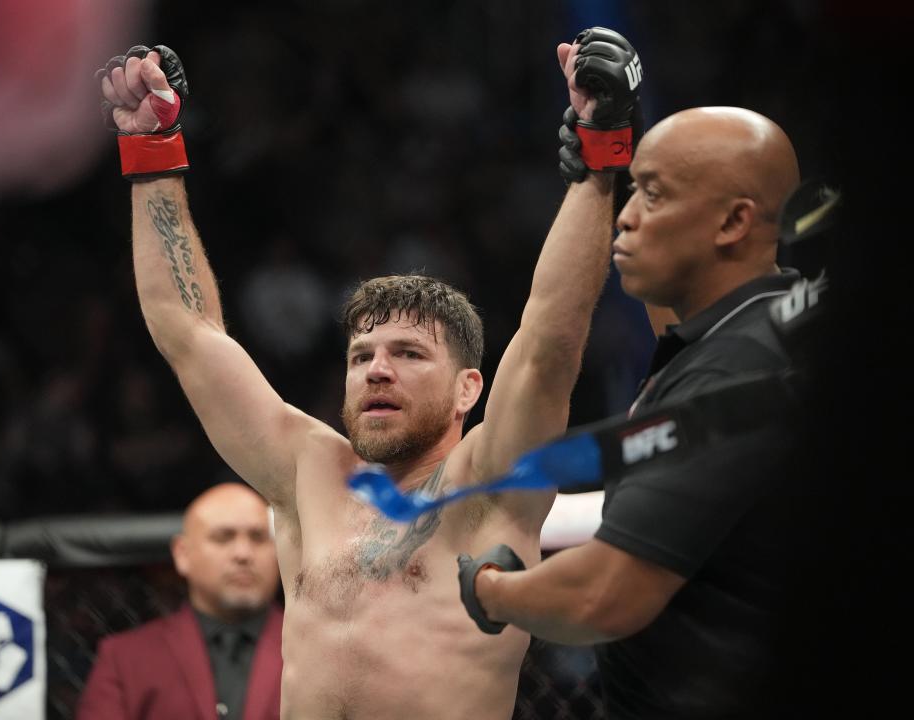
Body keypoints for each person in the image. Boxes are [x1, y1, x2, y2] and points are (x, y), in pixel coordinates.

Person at [96, 26, 639, 719]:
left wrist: (599, 160)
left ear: (469, 389)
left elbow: (550, 345)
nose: (377, 371)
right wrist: (150, 152)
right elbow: (190, 334)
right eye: (361, 357)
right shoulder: (306, 474)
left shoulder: (491, 486)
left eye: (408, 354)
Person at [459, 106, 813, 718]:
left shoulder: (736, 371)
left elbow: (602, 597)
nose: (626, 216)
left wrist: (491, 590)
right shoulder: (771, 322)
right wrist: (605, 159)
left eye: (652, 195)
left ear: (733, 222)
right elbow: (571, 324)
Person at [77, 482, 284, 720]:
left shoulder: (323, 651)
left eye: (258, 538)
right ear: (183, 554)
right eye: (223, 538)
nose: (243, 554)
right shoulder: (125, 658)